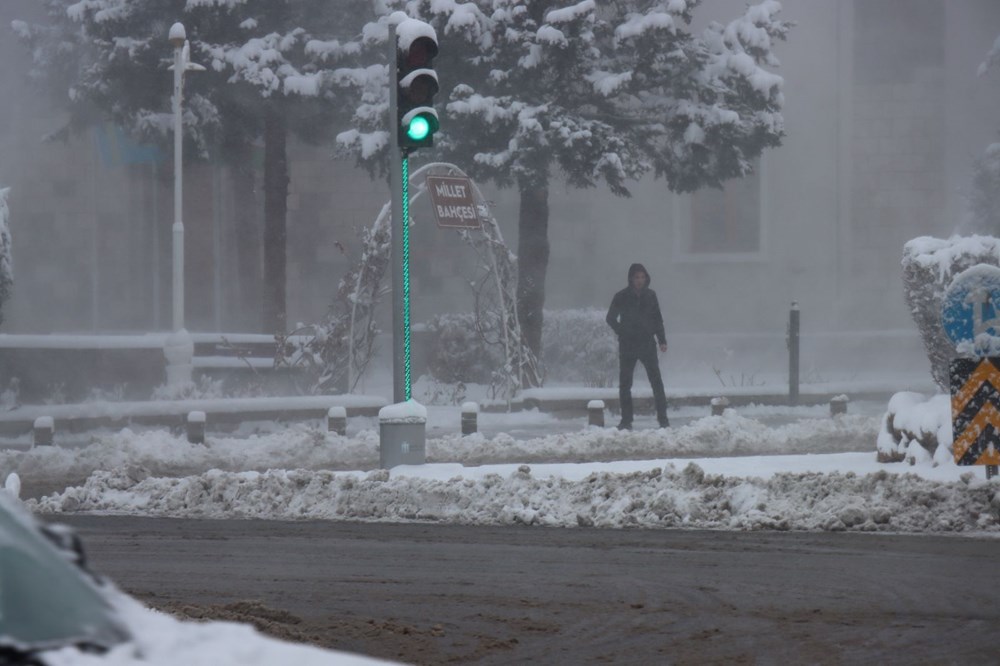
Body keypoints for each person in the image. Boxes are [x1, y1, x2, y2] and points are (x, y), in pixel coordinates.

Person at [605, 263, 669, 430]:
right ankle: (626, 421)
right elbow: (610, 318)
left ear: (646, 278)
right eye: (636, 278)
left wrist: (662, 340)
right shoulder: (621, 296)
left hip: (647, 344)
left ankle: (663, 419)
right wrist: (622, 331)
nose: (639, 281)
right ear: (631, 279)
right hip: (628, 346)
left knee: (656, 382)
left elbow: (657, 319)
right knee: (625, 384)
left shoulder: (651, 296)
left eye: (642, 277)